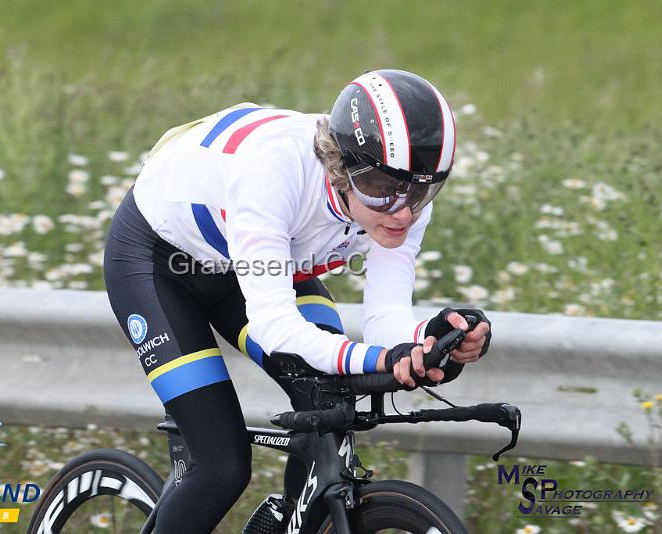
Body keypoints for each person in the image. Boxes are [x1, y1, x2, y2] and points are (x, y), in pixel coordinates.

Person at [104, 69, 491, 533]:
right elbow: (274, 323)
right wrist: (381, 356)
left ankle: (290, 518)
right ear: (342, 167)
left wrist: (429, 339)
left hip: (265, 263)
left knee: (330, 394)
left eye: (422, 191)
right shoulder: (274, 171)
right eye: (384, 190)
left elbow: (386, 318)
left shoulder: (402, 193)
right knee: (221, 465)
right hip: (159, 265)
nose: (404, 211)